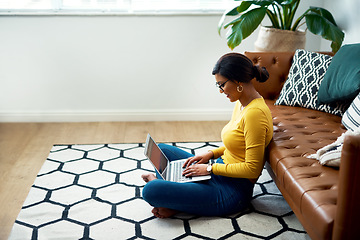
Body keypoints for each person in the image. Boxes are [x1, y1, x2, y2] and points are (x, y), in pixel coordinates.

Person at [141, 53, 273, 218]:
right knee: (162, 150)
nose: (220, 91)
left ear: (238, 81)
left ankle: (170, 194)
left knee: (151, 190)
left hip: (231, 191)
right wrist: (211, 154)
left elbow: (252, 169)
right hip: (218, 171)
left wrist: (210, 168)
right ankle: (178, 198)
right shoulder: (242, 104)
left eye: (222, 84)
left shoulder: (255, 114)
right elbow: (239, 144)